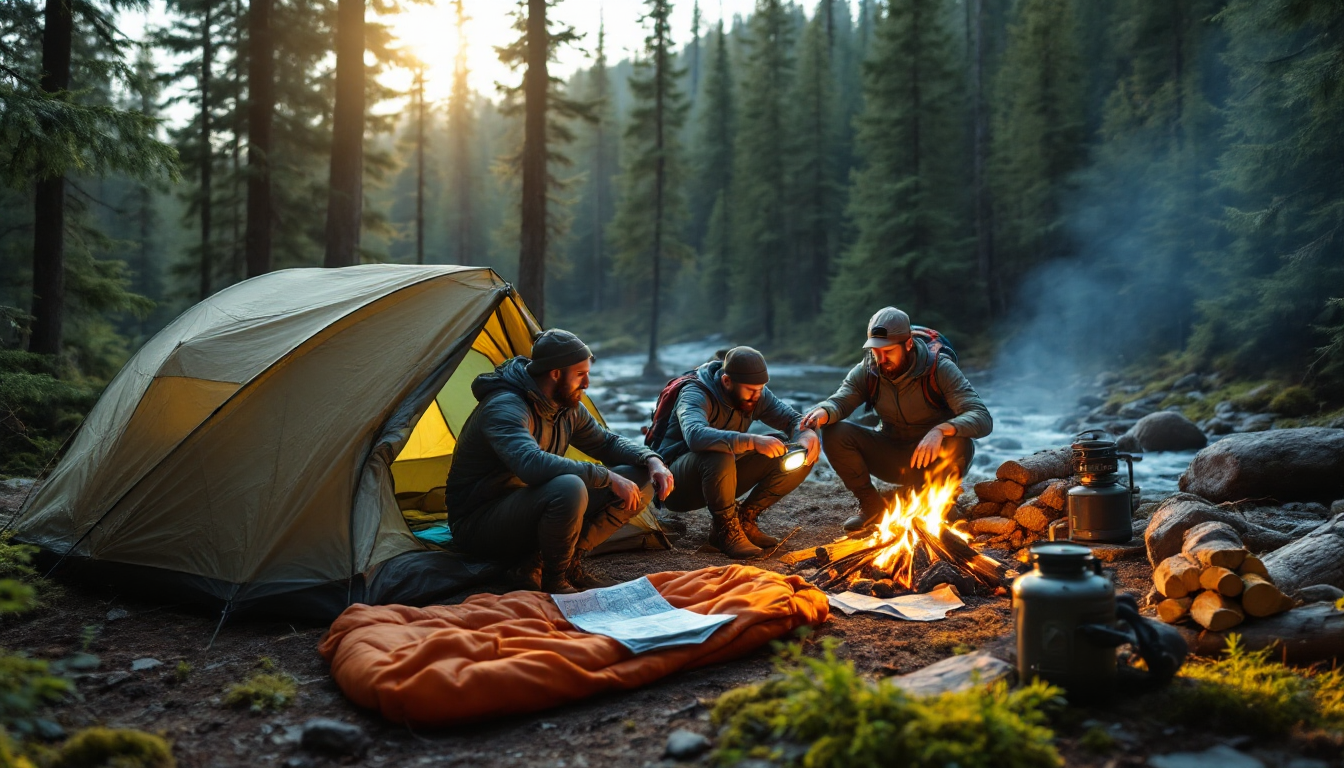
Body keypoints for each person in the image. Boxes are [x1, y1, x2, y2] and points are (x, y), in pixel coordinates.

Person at [445, 329, 675, 594]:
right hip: (480, 523)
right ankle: (555, 581)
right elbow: (530, 464)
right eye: (580, 374)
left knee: (640, 475)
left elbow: (607, 442)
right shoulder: (505, 406)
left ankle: (554, 562)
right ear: (555, 373)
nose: (587, 383)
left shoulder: (567, 406)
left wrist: (652, 459)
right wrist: (606, 477)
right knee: (569, 487)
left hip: (529, 506)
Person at [800, 307, 992, 532]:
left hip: (933, 460)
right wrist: (824, 412)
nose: (880, 359)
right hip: (891, 455)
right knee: (835, 431)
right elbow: (841, 400)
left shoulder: (939, 368)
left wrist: (941, 430)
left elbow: (981, 417)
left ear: (908, 344)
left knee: (958, 440)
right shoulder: (868, 369)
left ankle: (936, 504)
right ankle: (873, 507)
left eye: (887, 351)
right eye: (875, 351)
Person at [655, 347, 820, 559]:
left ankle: (745, 520)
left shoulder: (755, 393)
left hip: (720, 476)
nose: (756, 395)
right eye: (751, 390)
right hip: (675, 484)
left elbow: (793, 420)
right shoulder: (695, 393)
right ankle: (726, 531)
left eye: (761, 389)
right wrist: (752, 441)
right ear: (726, 382)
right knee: (720, 451)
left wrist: (806, 435)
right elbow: (696, 436)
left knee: (795, 451)